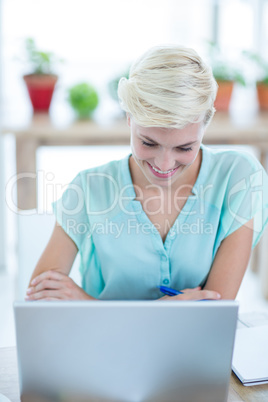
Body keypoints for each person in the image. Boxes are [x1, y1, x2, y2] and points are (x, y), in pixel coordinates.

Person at [26, 45, 268, 302]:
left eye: (184, 147)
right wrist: (163, 315)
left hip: (189, 344)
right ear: (129, 118)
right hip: (102, 343)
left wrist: (89, 306)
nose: (164, 165)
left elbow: (216, 311)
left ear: (205, 125)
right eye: (149, 143)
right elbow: (40, 302)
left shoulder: (239, 178)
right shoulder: (89, 188)